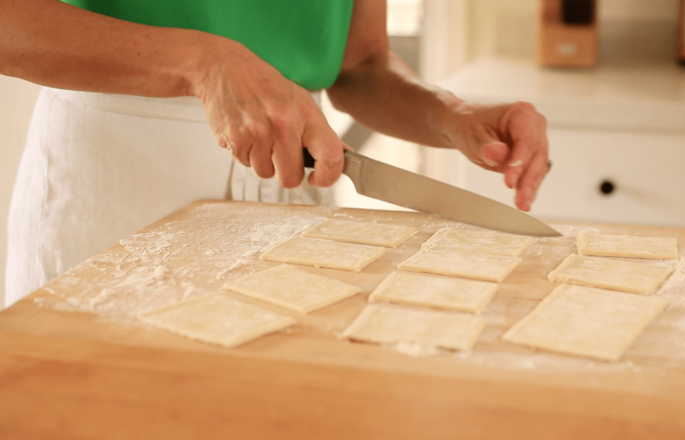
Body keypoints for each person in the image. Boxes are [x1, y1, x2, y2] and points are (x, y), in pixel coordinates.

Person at [0, 0, 550, 308]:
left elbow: (360, 65)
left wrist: (449, 113)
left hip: (295, 182)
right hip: (114, 186)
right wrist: (199, 61)